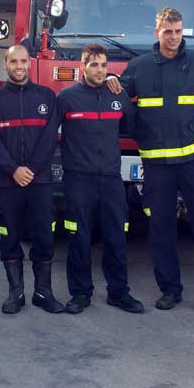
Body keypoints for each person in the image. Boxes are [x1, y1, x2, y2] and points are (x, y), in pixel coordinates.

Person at [116, 6, 194, 321]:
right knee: (160, 228)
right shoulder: (138, 67)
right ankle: (170, 290)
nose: (173, 37)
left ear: (183, 32)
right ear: (157, 32)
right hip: (157, 164)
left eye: (178, 31)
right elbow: (120, 102)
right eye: (167, 31)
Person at [58, 43, 144, 315]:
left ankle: (118, 293)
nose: (99, 70)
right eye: (93, 64)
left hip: (111, 179)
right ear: (82, 67)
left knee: (116, 237)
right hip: (78, 180)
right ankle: (80, 294)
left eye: (104, 65)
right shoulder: (67, 97)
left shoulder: (117, 95)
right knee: (79, 237)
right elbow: (48, 136)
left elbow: (135, 127)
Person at [0, 44, 64, 315]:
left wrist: (31, 168)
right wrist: (13, 170)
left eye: (23, 61)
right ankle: (15, 293)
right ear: (5, 65)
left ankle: (43, 292)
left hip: (39, 181)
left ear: (30, 64)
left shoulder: (46, 96)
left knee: (44, 234)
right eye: (13, 62)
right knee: (9, 234)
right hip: (7, 182)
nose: (19, 66)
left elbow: (50, 137)